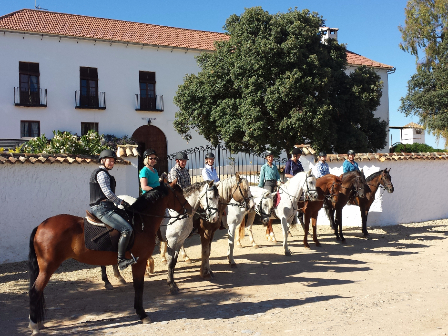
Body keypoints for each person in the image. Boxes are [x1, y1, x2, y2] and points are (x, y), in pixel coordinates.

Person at [89, 149, 137, 270]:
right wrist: (120, 201)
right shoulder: (101, 173)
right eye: (110, 161)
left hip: (107, 206)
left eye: (113, 161)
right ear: (102, 160)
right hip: (102, 208)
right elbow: (107, 193)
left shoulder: (105, 173)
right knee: (127, 229)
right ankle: (121, 261)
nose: (112, 163)